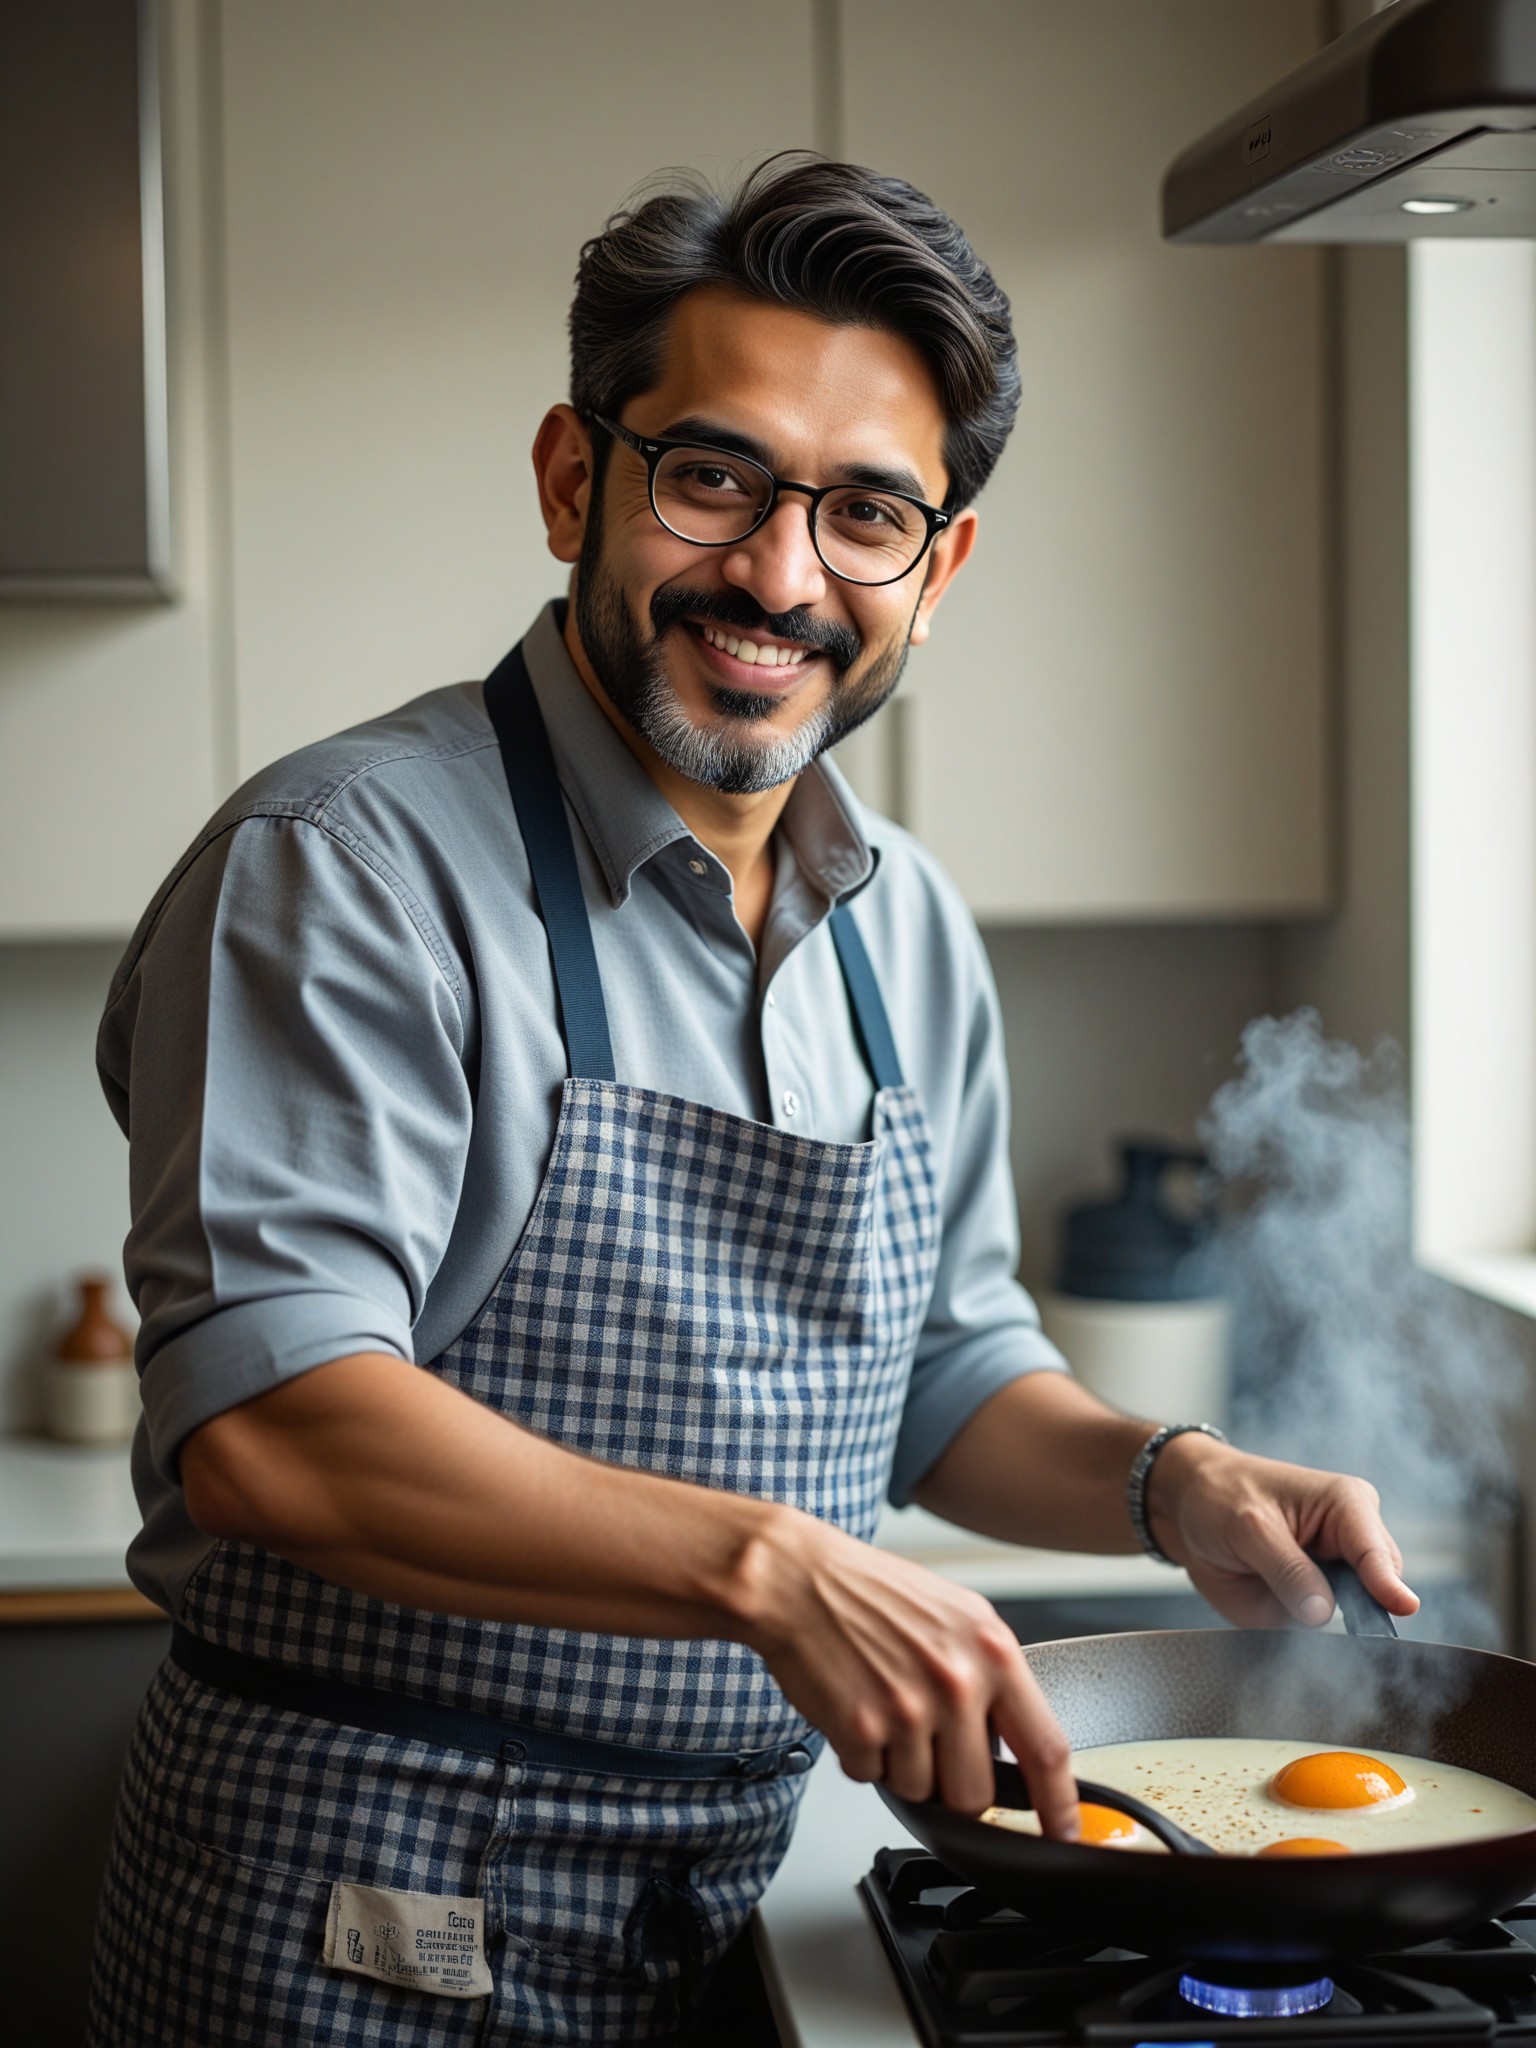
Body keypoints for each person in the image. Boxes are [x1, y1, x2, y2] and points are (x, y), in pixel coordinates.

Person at [87, 153, 1417, 2046]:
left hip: (725, 1901)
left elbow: (943, 1374)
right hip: (356, 1912)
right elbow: (272, 1431)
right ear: (575, 478)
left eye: (867, 513)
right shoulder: (347, 865)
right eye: (713, 478)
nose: (783, 578)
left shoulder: (907, 924)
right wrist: (777, 1566)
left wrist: (1164, 1477)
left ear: (937, 574)